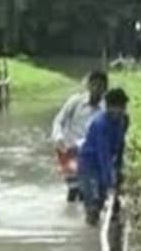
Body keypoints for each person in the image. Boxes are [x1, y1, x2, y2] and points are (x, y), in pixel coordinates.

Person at [50, 71, 109, 202]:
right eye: (94, 85)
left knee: (86, 191)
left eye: (100, 86)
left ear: (105, 89)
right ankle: (72, 215)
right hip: (71, 150)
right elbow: (59, 121)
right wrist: (58, 138)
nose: (96, 89)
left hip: (92, 153)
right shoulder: (75, 101)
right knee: (73, 189)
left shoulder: (105, 109)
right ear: (88, 85)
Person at [77, 88, 129, 226]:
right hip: (89, 164)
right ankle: (91, 227)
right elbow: (103, 153)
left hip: (105, 161)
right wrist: (110, 180)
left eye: (122, 108)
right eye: (116, 108)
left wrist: (119, 169)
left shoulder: (123, 120)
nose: (119, 112)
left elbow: (120, 145)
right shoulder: (101, 124)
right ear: (108, 107)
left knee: (102, 201)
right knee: (94, 204)